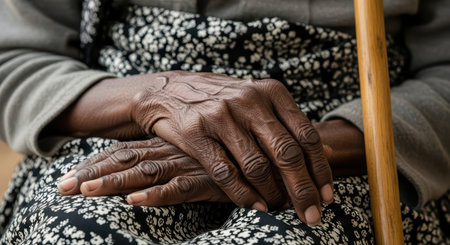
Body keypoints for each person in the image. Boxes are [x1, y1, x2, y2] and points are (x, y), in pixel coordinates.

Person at [0, 0, 448, 244]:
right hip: (121, 128)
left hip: (350, 151)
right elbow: (14, 59)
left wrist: (288, 146)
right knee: (78, 228)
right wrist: (150, 97)